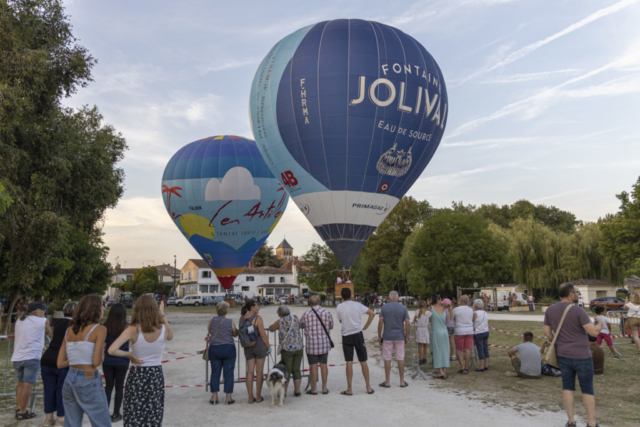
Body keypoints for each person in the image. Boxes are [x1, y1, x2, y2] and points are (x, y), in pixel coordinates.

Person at [543, 282, 604, 427]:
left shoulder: (550, 310)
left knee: (568, 387)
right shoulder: (578, 311)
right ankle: (591, 423)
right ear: (570, 294)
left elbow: (547, 332)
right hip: (582, 355)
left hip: (563, 355)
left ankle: (571, 421)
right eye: (577, 292)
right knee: (587, 388)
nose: (578, 295)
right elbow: (593, 332)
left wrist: (557, 343)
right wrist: (600, 323)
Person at [108, 295, 174, 426]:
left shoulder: (133, 330)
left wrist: (128, 355)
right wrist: (162, 315)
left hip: (138, 375)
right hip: (156, 375)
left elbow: (112, 350)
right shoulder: (163, 329)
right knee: (154, 414)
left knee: (134, 413)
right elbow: (171, 336)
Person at [57, 295, 110, 426]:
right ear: (94, 309)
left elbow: (60, 363)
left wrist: (78, 358)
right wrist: (102, 352)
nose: (103, 308)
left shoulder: (69, 330)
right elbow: (96, 362)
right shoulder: (100, 329)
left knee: (71, 423)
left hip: (70, 378)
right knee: (101, 422)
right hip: (88, 378)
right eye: (101, 305)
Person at [13, 302, 51, 421]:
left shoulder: (19, 320)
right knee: (28, 384)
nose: (44, 312)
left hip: (18, 356)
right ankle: (23, 412)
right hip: (32, 357)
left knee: (21, 383)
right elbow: (48, 331)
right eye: (43, 310)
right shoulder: (43, 321)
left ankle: (19, 408)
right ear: (36, 311)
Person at [41, 301, 76, 426]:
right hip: (62, 359)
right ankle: (60, 418)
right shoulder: (74, 324)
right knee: (62, 390)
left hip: (48, 357)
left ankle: (48, 417)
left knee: (49, 389)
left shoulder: (58, 322)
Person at [336, 287, 375, 395]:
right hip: (358, 334)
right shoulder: (357, 304)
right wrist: (365, 326)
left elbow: (340, 320)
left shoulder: (339, 307)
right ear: (351, 295)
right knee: (363, 360)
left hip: (346, 335)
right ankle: (368, 387)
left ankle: (349, 388)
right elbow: (372, 313)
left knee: (349, 361)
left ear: (342, 296)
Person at [299, 294, 334, 395]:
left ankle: (314, 388)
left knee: (313, 365)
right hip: (324, 343)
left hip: (311, 343)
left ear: (310, 304)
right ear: (320, 302)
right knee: (324, 364)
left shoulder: (306, 313)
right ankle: (324, 388)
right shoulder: (327, 312)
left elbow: (301, 324)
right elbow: (331, 326)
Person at [102, 302, 130, 422]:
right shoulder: (127, 327)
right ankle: (116, 413)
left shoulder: (105, 326)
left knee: (108, 387)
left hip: (108, 360)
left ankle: (104, 413)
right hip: (122, 360)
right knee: (119, 387)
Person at [268, 305, 304, 397]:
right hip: (298, 347)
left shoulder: (280, 321)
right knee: (296, 370)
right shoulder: (295, 317)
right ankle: (297, 391)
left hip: (287, 349)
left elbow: (271, 329)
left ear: (280, 314)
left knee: (286, 370)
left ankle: (284, 392)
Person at [207, 301, 238, 405]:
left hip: (215, 348)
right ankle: (228, 397)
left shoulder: (211, 319)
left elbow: (209, 330)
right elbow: (234, 334)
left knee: (215, 372)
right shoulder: (230, 321)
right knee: (229, 373)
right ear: (227, 311)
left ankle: (214, 397)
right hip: (228, 348)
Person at [239, 300, 270, 403]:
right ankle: (258, 396)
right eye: (257, 306)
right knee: (259, 371)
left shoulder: (241, 318)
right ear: (252, 307)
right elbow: (263, 334)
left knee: (250, 371)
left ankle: (250, 397)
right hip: (259, 345)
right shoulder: (257, 318)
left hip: (247, 346)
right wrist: (268, 346)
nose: (258, 308)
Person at [378, 291, 410, 388]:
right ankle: (401, 381)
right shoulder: (403, 308)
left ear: (389, 297)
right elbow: (407, 323)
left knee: (387, 358)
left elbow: (380, 322)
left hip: (387, 336)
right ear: (398, 297)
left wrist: (379, 336)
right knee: (400, 358)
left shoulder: (384, 307)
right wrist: (407, 336)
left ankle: (387, 382)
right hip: (399, 336)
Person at [453, 295, 474, 374]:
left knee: (459, 350)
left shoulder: (456, 309)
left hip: (460, 330)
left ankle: (462, 367)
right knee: (468, 349)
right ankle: (466, 367)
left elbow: (452, 318)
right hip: (469, 330)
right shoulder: (471, 310)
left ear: (460, 301)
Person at [430, 295, 450, 379]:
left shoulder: (431, 308)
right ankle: (444, 371)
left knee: (437, 351)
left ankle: (441, 372)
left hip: (436, 331)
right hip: (444, 332)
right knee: (445, 351)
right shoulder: (443, 308)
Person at [472, 299, 490, 372]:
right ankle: (486, 365)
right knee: (485, 348)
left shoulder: (475, 313)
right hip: (486, 331)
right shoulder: (485, 312)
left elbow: (471, 321)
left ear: (475, 306)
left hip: (478, 332)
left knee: (480, 349)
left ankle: (481, 367)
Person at [413, 300, 431, 365]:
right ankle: (424, 358)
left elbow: (414, 320)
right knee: (425, 345)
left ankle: (420, 359)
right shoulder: (428, 313)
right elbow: (429, 320)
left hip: (419, 330)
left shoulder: (417, 312)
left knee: (419, 345)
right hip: (425, 329)